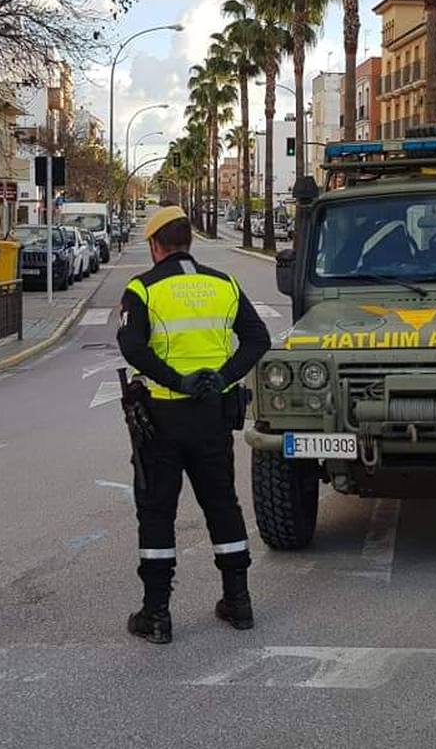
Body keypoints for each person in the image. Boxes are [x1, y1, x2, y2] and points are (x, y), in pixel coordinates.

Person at [116, 205, 270, 645]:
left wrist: (177, 381)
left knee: (157, 511)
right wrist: (221, 377)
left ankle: (157, 614)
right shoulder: (224, 284)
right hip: (212, 415)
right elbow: (258, 339)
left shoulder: (142, 289)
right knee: (223, 505)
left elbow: (132, 348)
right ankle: (238, 603)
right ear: (188, 242)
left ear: (155, 245)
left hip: (160, 420)